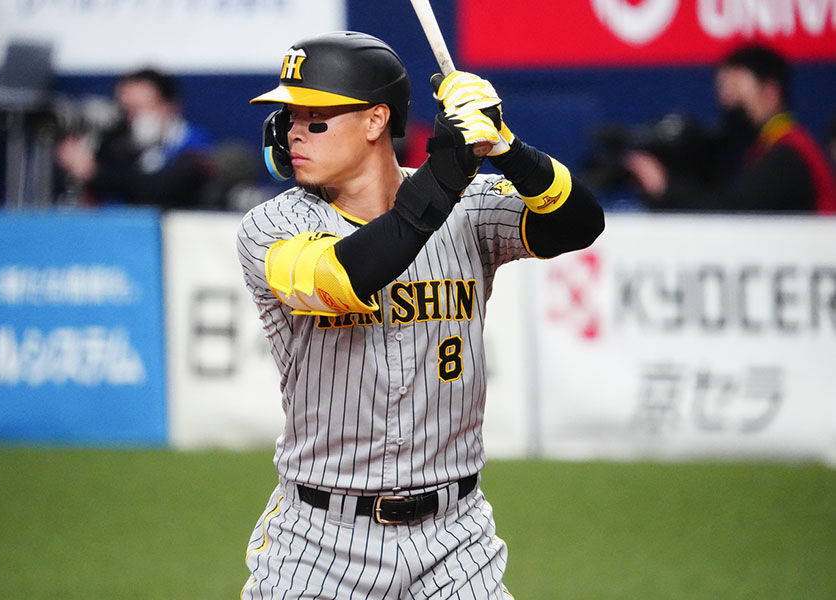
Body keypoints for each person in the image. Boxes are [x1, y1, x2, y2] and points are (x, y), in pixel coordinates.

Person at [235, 31, 604, 599]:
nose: (293, 132)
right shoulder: (272, 226)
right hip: (319, 540)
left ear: (375, 120)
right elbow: (347, 274)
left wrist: (506, 146)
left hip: (455, 540)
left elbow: (580, 223)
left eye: (316, 117)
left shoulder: (468, 208)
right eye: (290, 117)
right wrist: (447, 173)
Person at [626, 43, 836, 214]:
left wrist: (665, 187)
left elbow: (738, 213)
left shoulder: (788, 152)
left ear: (770, 92)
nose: (727, 102)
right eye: (723, 91)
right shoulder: (765, 148)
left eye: (736, 89)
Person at [55, 68, 214, 209]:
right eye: (126, 110)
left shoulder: (195, 145)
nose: (132, 119)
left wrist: (94, 173)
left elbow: (159, 188)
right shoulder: (115, 144)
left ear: (170, 106)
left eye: (140, 108)